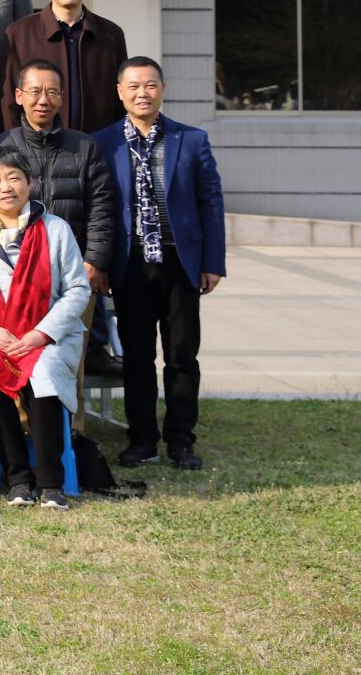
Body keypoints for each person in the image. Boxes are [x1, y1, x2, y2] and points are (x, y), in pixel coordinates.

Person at [94, 57, 226, 471]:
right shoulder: (102, 143)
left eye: (150, 85)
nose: (142, 93)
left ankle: (181, 440)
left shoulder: (192, 140)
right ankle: (142, 439)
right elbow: (99, 207)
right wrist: (99, 262)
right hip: (130, 264)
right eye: (133, 86)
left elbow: (211, 202)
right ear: (120, 92)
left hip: (179, 263)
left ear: (163, 89)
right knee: (137, 357)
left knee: (182, 355)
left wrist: (212, 261)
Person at [0, 143, 90, 510]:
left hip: (46, 335)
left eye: (14, 178)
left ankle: (50, 482)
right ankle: (17, 478)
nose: (6, 188)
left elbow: (78, 290)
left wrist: (39, 335)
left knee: (42, 373)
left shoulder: (55, 229)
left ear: (30, 182)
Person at [2, 60, 116, 350]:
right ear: (19, 96)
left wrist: (94, 261)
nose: (43, 100)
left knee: (71, 359)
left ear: (62, 98)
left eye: (52, 92)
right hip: (17, 275)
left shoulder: (84, 147)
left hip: (74, 274)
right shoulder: (2, 147)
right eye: (35, 91)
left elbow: (101, 207)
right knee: (20, 357)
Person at [1, 0, 129, 135]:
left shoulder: (111, 34)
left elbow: (121, 98)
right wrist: (15, 145)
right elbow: (8, 100)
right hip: (37, 145)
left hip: (98, 144)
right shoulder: (19, 33)